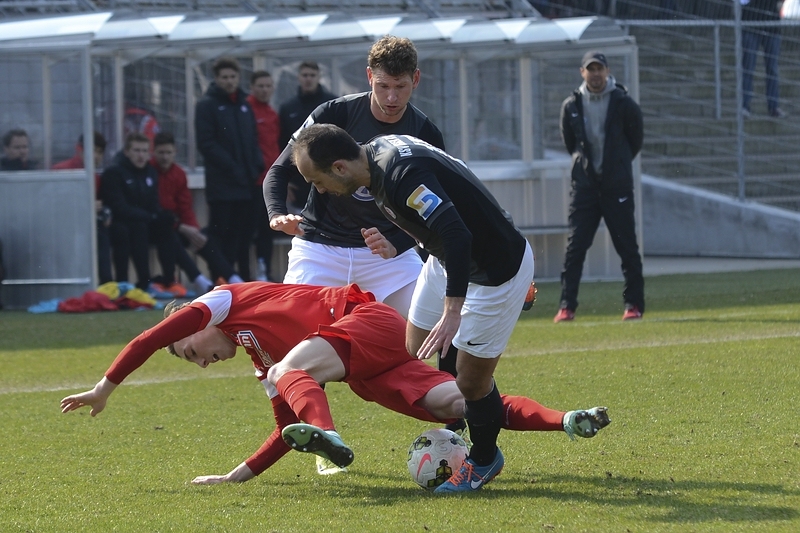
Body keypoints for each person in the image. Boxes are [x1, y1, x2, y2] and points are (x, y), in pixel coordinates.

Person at [60, 281, 611, 485]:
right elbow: (285, 430)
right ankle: (567, 419)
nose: (200, 362)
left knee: (289, 373)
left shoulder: (223, 301)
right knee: (459, 403)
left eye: (190, 353)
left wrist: (105, 386)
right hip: (371, 367)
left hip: (365, 322)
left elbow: (150, 337)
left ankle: (332, 437)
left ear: (193, 325)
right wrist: (235, 476)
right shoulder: (263, 359)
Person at [292, 125, 536, 493]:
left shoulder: (401, 175)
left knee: (470, 381)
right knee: (415, 344)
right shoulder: (375, 158)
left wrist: (453, 311)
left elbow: (457, 234)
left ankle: (485, 458)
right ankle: (466, 405)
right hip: (447, 260)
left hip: (493, 271)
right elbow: (443, 198)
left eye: (317, 181)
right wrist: (401, 243)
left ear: (339, 167)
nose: (320, 190)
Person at [265, 36, 457, 474]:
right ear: (369, 77)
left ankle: (456, 426)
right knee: (288, 350)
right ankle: (322, 439)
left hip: (389, 258)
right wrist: (277, 214)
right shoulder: (334, 115)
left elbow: (438, 212)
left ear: (416, 81)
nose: (391, 98)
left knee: (440, 330)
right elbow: (278, 170)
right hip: (320, 249)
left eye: (401, 87)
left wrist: (399, 244)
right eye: (383, 86)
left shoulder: (425, 133)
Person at [555, 51, 645, 323]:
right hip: (585, 188)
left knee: (627, 246)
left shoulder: (624, 103)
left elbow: (635, 140)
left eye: (599, 69)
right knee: (575, 248)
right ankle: (567, 306)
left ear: (607, 71)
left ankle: (633, 304)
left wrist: (616, 165)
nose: (595, 74)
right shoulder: (571, 105)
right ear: (582, 72)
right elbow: (570, 143)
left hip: (616, 187)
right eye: (590, 69)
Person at [195, 57, 264, 281]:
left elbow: (252, 139)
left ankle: (238, 280)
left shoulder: (244, 105)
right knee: (220, 233)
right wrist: (233, 168)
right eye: (224, 77)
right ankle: (220, 278)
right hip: (222, 185)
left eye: (233, 76)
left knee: (240, 234)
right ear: (216, 79)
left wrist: (256, 165)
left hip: (245, 184)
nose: (229, 81)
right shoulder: (207, 105)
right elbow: (207, 144)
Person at [151, 132, 244, 293]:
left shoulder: (179, 174)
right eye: (161, 153)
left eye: (168, 152)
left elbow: (185, 206)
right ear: (154, 152)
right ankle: (200, 281)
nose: (165, 157)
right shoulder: (150, 172)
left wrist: (193, 230)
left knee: (204, 238)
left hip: (175, 224)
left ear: (175, 152)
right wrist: (181, 227)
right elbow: (154, 208)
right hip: (157, 226)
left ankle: (232, 279)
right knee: (172, 237)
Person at [100, 132, 180, 291]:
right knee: (130, 230)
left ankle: (168, 281)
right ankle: (125, 283)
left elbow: (153, 203)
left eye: (144, 151)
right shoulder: (114, 172)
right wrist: (150, 216)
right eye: (136, 150)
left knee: (167, 228)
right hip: (118, 223)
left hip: (143, 221)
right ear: (127, 152)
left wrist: (160, 216)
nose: (141, 155)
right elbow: (119, 207)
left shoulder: (150, 172)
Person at [52, 132, 113, 285]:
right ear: (79, 149)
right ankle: (106, 282)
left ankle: (107, 283)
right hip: (64, 226)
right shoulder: (61, 171)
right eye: (93, 150)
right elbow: (56, 204)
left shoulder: (95, 177)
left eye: (100, 152)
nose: (96, 156)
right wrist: (87, 205)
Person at [277, 60, 338, 212]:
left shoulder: (332, 104)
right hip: (299, 176)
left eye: (312, 75)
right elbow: (283, 143)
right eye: (305, 75)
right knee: (302, 217)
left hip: (329, 172)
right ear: (298, 77)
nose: (308, 79)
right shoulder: (288, 108)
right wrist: (286, 179)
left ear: (319, 77)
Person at [246, 70, 283, 282]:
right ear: (252, 87)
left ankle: (264, 270)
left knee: (267, 228)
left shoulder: (272, 113)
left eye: (268, 86)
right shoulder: (246, 110)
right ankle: (243, 274)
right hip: (253, 181)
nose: (264, 90)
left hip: (269, 180)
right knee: (247, 230)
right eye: (260, 86)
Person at [741, 0, 786, 118]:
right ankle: (744, 106)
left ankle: (773, 106)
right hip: (751, 24)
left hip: (772, 26)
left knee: (772, 69)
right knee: (748, 67)